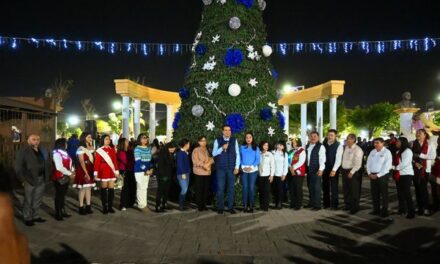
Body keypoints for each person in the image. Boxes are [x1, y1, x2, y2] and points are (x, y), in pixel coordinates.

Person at [14, 134, 51, 226]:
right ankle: (27, 217)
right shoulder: (23, 151)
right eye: (34, 139)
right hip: (29, 179)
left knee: (37, 199)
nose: (36, 141)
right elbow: (17, 167)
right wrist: (22, 179)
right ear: (28, 141)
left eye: (38, 139)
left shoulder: (43, 150)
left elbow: (48, 162)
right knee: (28, 199)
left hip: (41, 178)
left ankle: (35, 216)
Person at [212, 125, 240, 214]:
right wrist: (221, 148)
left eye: (229, 130)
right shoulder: (217, 140)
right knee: (220, 188)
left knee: (231, 188)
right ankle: (220, 207)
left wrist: (236, 167)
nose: (227, 132)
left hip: (231, 168)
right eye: (225, 130)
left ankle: (230, 207)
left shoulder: (234, 140)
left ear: (231, 132)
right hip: (220, 168)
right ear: (223, 131)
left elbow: (238, 154)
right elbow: (213, 153)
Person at [366, 137, 392, 218]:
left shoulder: (387, 152)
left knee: (384, 194)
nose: (375, 144)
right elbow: (368, 163)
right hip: (372, 175)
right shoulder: (372, 151)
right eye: (374, 143)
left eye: (377, 143)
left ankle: (385, 211)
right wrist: (369, 173)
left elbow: (387, 166)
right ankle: (376, 210)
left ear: (382, 143)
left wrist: (377, 175)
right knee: (374, 194)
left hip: (382, 176)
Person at [412, 129, 435, 216]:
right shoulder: (413, 143)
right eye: (417, 133)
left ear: (425, 134)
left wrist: (420, 155)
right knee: (417, 189)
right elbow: (410, 155)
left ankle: (426, 208)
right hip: (415, 168)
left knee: (423, 189)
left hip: (425, 169)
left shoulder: (430, 143)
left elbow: (432, 156)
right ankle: (420, 207)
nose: (417, 134)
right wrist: (415, 163)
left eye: (419, 133)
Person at [94, 134, 119, 214]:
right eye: (106, 139)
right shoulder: (99, 150)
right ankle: (104, 207)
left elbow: (115, 161)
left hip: (111, 170)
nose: (108, 141)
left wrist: (116, 171)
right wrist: (96, 173)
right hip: (103, 170)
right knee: (103, 189)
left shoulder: (112, 150)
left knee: (111, 189)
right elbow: (97, 162)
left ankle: (110, 206)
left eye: (109, 139)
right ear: (103, 140)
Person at [52, 138, 75, 221]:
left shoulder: (64, 153)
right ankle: (58, 213)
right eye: (66, 143)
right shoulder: (56, 153)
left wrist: (72, 171)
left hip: (65, 177)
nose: (67, 144)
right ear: (62, 144)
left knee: (62, 196)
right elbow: (59, 167)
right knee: (59, 196)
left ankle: (62, 211)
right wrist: (70, 173)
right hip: (59, 177)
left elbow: (70, 163)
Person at [74, 132, 96, 215]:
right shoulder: (80, 148)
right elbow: (81, 161)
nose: (90, 138)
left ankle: (88, 206)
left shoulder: (92, 147)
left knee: (89, 188)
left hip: (91, 168)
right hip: (83, 169)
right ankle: (81, 207)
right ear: (84, 138)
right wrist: (86, 173)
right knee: (82, 189)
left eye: (90, 137)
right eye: (88, 137)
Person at [341, 134, 364, 214]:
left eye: (349, 139)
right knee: (346, 189)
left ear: (354, 140)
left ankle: (355, 207)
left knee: (354, 190)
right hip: (344, 171)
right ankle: (348, 205)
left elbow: (358, 164)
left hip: (353, 171)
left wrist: (351, 172)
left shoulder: (358, 150)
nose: (347, 140)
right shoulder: (346, 148)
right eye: (347, 139)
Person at [393, 137, 415, 219]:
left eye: (398, 142)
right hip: (399, 174)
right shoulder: (398, 151)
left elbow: (404, 164)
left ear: (402, 142)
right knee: (400, 193)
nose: (396, 143)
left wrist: (394, 168)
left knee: (407, 194)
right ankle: (402, 209)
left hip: (406, 174)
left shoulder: (408, 151)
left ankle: (411, 211)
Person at [322, 129, 343, 210]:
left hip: (333, 169)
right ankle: (326, 203)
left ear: (335, 136)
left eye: (332, 135)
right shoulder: (324, 144)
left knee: (334, 187)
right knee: (325, 186)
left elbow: (338, 159)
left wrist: (334, 170)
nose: (330, 137)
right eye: (329, 135)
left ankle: (334, 205)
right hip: (325, 168)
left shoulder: (339, 145)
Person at [239, 132, 260, 213]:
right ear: (245, 138)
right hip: (244, 170)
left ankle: (251, 206)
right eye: (247, 137)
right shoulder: (242, 147)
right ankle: (244, 206)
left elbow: (257, 159)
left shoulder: (256, 148)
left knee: (251, 188)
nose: (248, 139)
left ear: (252, 138)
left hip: (253, 171)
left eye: (250, 137)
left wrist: (251, 167)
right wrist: (244, 167)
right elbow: (239, 158)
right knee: (245, 188)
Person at [192, 136, 214, 212]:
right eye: (202, 141)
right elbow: (195, 161)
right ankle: (199, 205)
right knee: (199, 189)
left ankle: (204, 205)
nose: (203, 142)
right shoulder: (196, 150)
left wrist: (208, 165)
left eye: (205, 140)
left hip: (207, 173)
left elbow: (212, 159)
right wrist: (204, 165)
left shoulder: (208, 149)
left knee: (206, 189)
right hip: (199, 173)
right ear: (199, 142)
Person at [306, 132, 326, 211]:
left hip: (317, 170)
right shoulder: (308, 146)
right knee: (310, 187)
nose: (313, 138)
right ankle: (311, 203)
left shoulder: (321, 147)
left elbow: (322, 159)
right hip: (309, 170)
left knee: (317, 188)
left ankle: (317, 205)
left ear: (318, 137)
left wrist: (321, 169)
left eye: (315, 136)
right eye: (311, 136)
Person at [134, 133, 153, 213]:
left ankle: (144, 204)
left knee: (145, 188)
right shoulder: (137, 149)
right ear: (139, 139)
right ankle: (141, 205)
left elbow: (150, 160)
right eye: (143, 138)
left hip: (147, 171)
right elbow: (138, 161)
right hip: (139, 171)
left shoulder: (148, 148)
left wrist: (151, 168)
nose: (145, 139)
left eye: (146, 138)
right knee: (140, 188)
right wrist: (146, 170)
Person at [156, 142, 177, 212]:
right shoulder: (162, 154)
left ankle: (164, 204)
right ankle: (158, 206)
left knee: (166, 191)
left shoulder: (171, 154)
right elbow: (160, 166)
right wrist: (163, 176)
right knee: (160, 191)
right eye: (171, 150)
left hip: (169, 175)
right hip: (162, 175)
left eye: (173, 150)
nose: (172, 151)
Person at [288, 138, 306, 210]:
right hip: (291, 171)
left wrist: (293, 168)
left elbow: (301, 162)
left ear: (298, 142)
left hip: (298, 172)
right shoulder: (292, 151)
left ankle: (298, 204)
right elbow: (289, 160)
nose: (293, 143)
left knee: (298, 188)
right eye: (292, 143)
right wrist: (290, 167)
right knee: (292, 188)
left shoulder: (302, 151)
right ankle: (293, 203)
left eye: (294, 142)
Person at [117, 137, 135, 211]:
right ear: (123, 143)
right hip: (124, 171)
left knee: (132, 187)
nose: (128, 142)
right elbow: (126, 162)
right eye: (127, 141)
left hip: (131, 170)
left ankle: (131, 202)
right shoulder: (121, 152)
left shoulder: (130, 150)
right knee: (125, 188)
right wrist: (134, 162)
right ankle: (123, 204)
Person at [258, 141, 275, 211]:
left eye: (267, 145)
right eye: (265, 145)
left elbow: (273, 166)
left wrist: (272, 175)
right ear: (262, 146)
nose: (266, 147)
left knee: (266, 191)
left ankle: (266, 207)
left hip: (267, 176)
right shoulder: (258, 153)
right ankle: (261, 205)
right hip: (260, 176)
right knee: (261, 192)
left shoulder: (270, 154)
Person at [272, 141, 289, 210]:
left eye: (281, 145)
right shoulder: (273, 153)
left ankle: (279, 203)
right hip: (273, 174)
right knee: (275, 189)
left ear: (283, 147)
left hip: (281, 175)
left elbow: (286, 165)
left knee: (280, 190)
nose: (279, 146)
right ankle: (276, 202)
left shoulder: (285, 154)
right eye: (278, 145)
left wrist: (284, 174)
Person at [176, 139, 191, 211]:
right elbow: (179, 164)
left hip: (187, 173)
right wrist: (182, 173)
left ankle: (182, 204)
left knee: (185, 189)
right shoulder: (180, 153)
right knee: (184, 189)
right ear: (185, 145)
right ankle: (181, 206)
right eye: (188, 144)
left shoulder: (185, 152)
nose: (189, 145)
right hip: (182, 174)